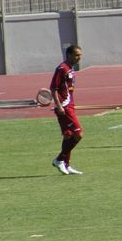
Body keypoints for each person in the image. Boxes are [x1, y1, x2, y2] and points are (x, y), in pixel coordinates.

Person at [50, 44, 84, 175]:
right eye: (76, 55)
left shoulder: (70, 68)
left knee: (68, 135)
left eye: (80, 55)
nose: (79, 57)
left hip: (69, 106)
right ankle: (59, 159)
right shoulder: (62, 69)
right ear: (69, 55)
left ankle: (66, 164)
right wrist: (59, 106)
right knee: (78, 134)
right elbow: (53, 88)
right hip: (64, 107)